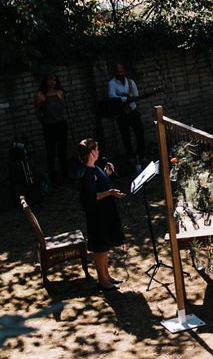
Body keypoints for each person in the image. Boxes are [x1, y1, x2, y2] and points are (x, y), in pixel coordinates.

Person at [76, 138, 124, 291]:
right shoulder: (87, 173)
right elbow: (92, 196)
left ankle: (107, 275)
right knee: (100, 248)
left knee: (106, 247)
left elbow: (100, 183)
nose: (98, 152)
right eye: (96, 149)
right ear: (91, 152)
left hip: (105, 213)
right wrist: (110, 192)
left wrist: (107, 174)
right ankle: (102, 280)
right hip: (97, 215)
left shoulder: (95, 168)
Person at [106, 63, 146, 163]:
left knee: (140, 133)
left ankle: (141, 155)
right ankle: (131, 157)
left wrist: (130, 98)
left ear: (124, 71)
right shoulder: (112, 84)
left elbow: (136, 96)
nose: (120, 73)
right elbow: (112, 97)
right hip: (122, 114)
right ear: (114, 73)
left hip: (133, 111)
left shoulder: (130, 82)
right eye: (118, 72)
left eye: (121, 71)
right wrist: (125, 98)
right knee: (125, 136)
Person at [34, 73, 70, 184]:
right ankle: (53, 177)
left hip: (61, 124)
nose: (52, 82)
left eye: (54, 80)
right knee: (51, 153)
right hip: (49, 126)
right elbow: (37, 112)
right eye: (49, 79)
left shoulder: (60, 93)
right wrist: (45, 121)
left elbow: (62, 108)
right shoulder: (40, 96)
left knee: (62, 151)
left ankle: (65, 175)